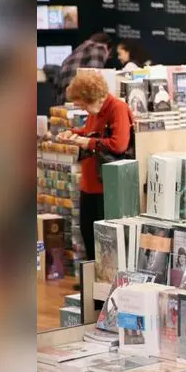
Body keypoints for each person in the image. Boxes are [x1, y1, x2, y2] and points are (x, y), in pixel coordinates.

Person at [56, 71, 133, 262]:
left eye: (83, 104)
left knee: (105, 239)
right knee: (88, 233)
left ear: (92, 98)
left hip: (107, 186)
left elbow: (119, 144)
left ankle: (103, 282)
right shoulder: (96, 110)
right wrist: (72, 133)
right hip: (90, 183)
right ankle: (90, 280)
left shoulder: (117, 108)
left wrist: (86, 142)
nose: (83, 109)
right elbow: (91, 132)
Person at [55, 32, 113, 103]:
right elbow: (94, 79)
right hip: (78, 100)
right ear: (107, 47)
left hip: (64, 100)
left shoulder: (78, 50)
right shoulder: (99, 49)